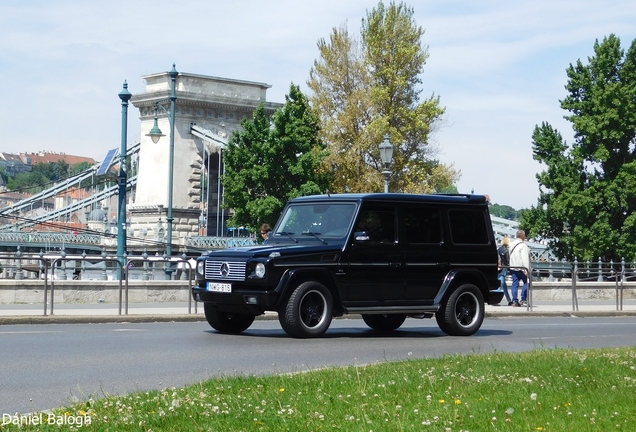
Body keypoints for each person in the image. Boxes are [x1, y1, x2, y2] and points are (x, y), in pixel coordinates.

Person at [509, 229, 531, 307]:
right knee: (527, 282)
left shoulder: (511, 244)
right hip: (521, 268)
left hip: (513, 267)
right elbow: (525, 258)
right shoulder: (523, 246)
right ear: (523, 236)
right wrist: (527, 269)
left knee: (515, 284)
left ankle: (515, 300)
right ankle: (523, 299)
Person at [497, 236, 512, 305]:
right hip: (504, 268)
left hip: (499, 267)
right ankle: (495, 299)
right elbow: (508, 261)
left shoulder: (499, 249)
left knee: (503, 284)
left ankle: (509, 300)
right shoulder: (506, 250)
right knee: (502, 282)